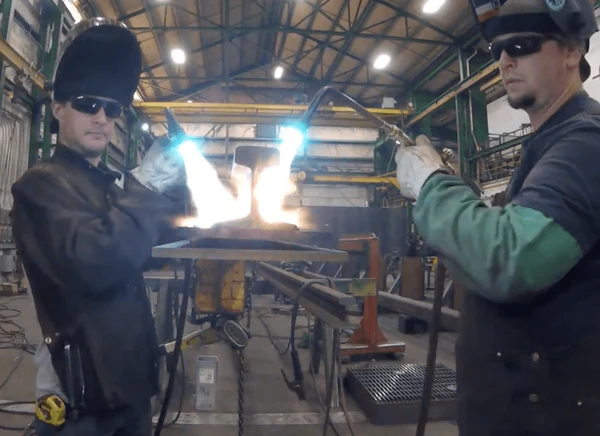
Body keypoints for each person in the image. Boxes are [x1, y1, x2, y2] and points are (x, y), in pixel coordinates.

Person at [395, 1, 600, 435]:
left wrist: (433, 187)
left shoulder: (586, 144)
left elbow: (511, 260)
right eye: (497, 51)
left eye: (522, 45)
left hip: (554, 415)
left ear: (572, 51)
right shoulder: (547, 146)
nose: (506, 60)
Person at [10, 18, 186, 435]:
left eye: (113, 109)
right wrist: (145, 186)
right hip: (83, 405)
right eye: (88, 104)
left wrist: (176, 181)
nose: (102, 118)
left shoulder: (112, 187)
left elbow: (158, 238)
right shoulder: (39, 186)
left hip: (132, 391)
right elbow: (97, 261)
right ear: (58, 108)